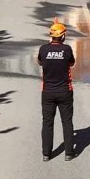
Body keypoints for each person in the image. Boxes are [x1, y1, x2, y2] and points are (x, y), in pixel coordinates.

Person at [37, 19, 75, 161]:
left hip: (47, 92)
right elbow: (71, 63)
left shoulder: (43, 49)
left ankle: (46, 154)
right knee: (67, 121)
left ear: (50, 36)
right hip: (65, 90)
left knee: (47, 122)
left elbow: (40, 61)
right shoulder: (66, 49)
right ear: (63, 36)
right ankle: (69, 153)